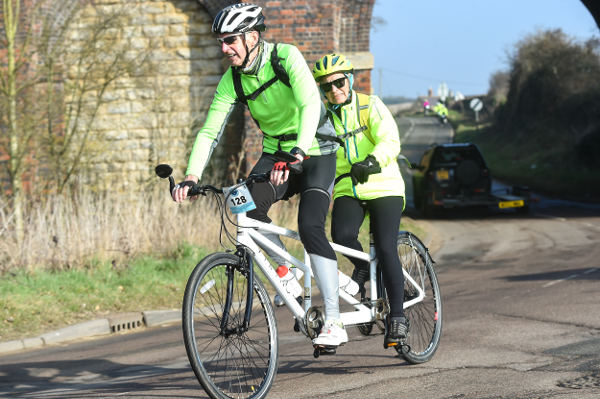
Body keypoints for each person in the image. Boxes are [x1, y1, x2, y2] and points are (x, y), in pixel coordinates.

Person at [171, 4, 348, 348]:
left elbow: (311, 104)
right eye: (221, 42)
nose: (225, 48)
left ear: (252, 37)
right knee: (243, 207)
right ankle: (287, 275)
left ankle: (335, 320)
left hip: (315, 149)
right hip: (275, 153)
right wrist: (192, 176)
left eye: (231, 40)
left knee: (310, 227)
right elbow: (210, 130)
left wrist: (298, 150)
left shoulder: (285, 57)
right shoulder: (232, 80)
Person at [312, 53, 409, 348]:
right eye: (326, 87)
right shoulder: (323, 118)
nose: (334, 90)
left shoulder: (370, 105)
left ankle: (398, 319)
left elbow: (390, 140)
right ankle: (364, 268)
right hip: (348, 188)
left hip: (383, 185)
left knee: (385, 246)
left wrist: (372, 161)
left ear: (350, 79)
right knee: (340, 236)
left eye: (339, 82)